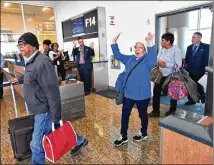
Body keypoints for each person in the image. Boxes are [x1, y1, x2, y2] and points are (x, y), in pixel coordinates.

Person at [17, 32, 88, 164]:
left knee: (36, 144)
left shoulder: (42, 62)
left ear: (32, 46)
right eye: (19, 45)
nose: (20, 47)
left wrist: (56, 116)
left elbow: (52, 91)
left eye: (23, 44)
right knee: (56, 131)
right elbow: (33, 77)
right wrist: (20, 79)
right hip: (39, 108)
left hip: (43, 110)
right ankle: (80, 140)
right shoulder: (31, 61)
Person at [111, 32, 157, 147]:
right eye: (136, 47)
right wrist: (113, 43)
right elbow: (118, 55)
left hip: (142, 95)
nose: (137, 49)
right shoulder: (130, 59)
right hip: (128, 94)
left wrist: (151, 43)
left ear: (144, 50)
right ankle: (123, 136)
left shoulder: (147, 60)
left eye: (140, 47)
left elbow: (153, 61)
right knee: (125, 114)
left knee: (143, 115)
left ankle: (144, 132)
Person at [149, 32, 182, 117]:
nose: (161, 42)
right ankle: (156, 111)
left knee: (172, 93)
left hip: (171, 75)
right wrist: (159, 62)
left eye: (162, 40)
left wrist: (166, 64)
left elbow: (179, 65)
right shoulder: (162, 49)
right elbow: (157, 58)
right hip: (160, 74)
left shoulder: (176, 50)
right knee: (156, 92)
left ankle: (172, 110)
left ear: (168, 41)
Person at [184, 32, 210, 105]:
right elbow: (187, 59)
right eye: (192, 37)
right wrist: (185, 69)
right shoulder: (189, 47)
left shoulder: (206, 47)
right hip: (190, 71)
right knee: (190, 86)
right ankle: (191, 100)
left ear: (199, 38)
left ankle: (203, 97)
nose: (192, 39)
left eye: (194, 37)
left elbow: (207, 59)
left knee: (199, 86)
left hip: (200, 71)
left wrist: (206, 70)